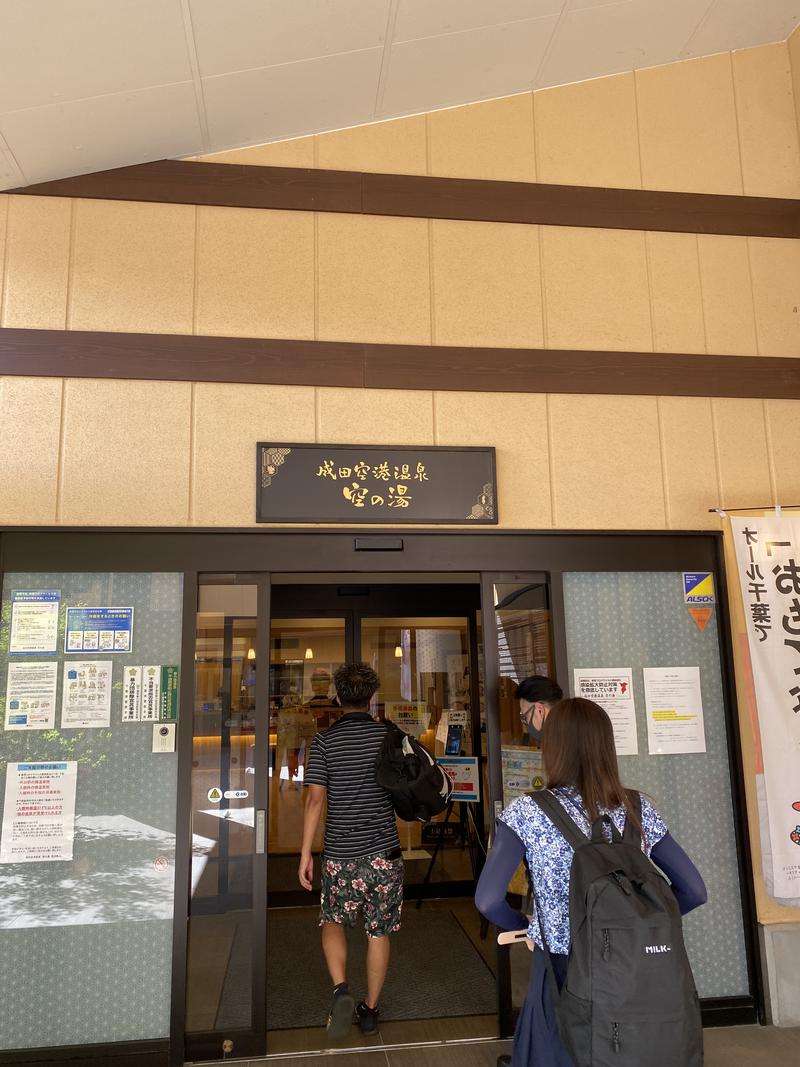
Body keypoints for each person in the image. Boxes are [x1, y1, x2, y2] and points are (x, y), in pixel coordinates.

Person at [476, 697, 707, 1067]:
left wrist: (529, 926)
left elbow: (488, 900)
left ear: (553, 748)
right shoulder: (636, 808)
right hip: (633, 964)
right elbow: (694, 890)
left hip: (561, 964)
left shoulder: (528, 811)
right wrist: (636, 926)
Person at [299, 662, 403, 1040]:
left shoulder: (325, 742)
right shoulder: (387, 738)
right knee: (378, 931)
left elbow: (314, 801)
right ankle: (371, 1010)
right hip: (384, 852)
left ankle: (342, 989)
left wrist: (306, 853)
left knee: (332, 919)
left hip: (341, 853)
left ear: (339, 697)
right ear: (370, 697)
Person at [516, 675, 563, 746]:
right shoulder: (573, 734)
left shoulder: (560, 748)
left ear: (540, 710)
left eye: (525, 717)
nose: (525, 724)